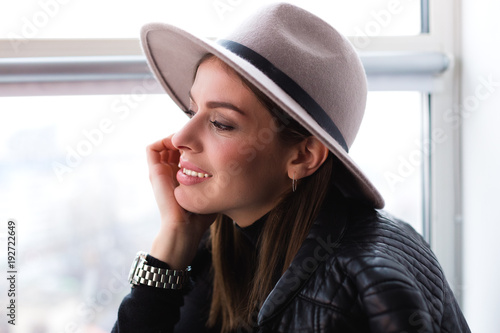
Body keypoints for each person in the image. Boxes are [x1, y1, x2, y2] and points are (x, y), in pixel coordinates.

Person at [112, 3, 470, 332]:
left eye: (221, 123)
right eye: (192, 112)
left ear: (302, 157)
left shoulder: (360, 288)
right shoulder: (218, 239)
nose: (180, 137)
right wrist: (175, 237)